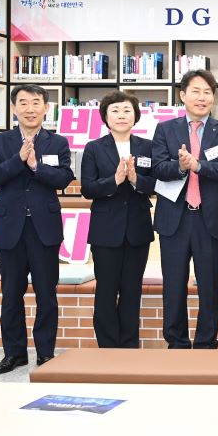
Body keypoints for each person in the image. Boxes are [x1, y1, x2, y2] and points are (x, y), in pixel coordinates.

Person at [0, 84, 74, 374]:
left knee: (46, 294)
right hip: (9, 229)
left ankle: (45, 352)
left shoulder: (57, 142)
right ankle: (14, 354)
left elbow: (64, 178)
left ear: (46, 108)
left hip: (44, 228)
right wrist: (18, 159)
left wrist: (36, 166)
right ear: (14, 108)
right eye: (23, 103)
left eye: (36, 103)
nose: (30, 109)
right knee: (11, 294)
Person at [151, 69, 218, 349]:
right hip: (175, 220)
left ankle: (205, 342)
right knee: (174, 284)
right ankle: (176, 342)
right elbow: (158, 167)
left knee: (210, 285)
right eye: (196, 91)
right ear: (182, 95)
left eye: (207, 92)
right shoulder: (166, 130)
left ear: (214, 97)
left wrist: (199, 166)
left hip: (210, 219)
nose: (202, 98)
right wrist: (180, 166)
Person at [80, 91, 156, 348]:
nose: (121, 115)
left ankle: (129, 346)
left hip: (137, 230)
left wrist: (135, 179)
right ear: (105, 117)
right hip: (105, 231)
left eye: (126, 110)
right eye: (115, 111)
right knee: (106, 290)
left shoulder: (147, 147)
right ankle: (108, 347)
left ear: (135, 116)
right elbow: (88, 188)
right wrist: (114, 180)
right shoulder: (94, 148)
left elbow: (156, 184)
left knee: (132, 291)